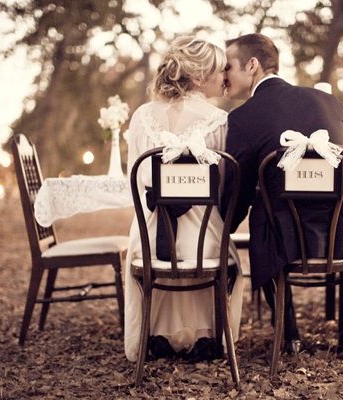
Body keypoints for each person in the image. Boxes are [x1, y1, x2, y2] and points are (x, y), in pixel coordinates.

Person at [220, 33, 343, 362]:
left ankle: (289, 336)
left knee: (262, 218)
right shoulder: (327, 101)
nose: (225, 74)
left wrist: (226, 223)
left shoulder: (242, 118)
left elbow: (238, 191)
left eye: (229, 66)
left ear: (252, 65)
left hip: (285, 241)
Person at [124, 36, 244, 363]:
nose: (225, 78)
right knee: (220, 251)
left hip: (149, 238)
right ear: (198, 76)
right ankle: (207, 337)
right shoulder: (219, 120)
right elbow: (222, 188)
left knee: (151, 240)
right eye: (220, 70)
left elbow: (132, 180)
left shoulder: (141, 117)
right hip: (202, 238)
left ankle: (157, 337)